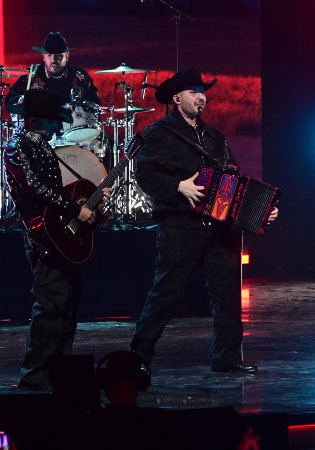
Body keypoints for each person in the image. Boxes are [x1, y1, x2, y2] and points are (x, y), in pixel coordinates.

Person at [128, 69, 278, 374]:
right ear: (176, 98)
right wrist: (176, 187)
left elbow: (234, 178)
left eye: (202, 91)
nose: (201, 97)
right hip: (180, 227)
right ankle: (137, 360)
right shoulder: (160, 134)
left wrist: (260, 211)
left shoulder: (215, 137)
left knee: (227, 295)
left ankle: (227, 358)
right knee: (165, 294)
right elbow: (143, 173)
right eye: (194, 92)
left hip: (218, 228)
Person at [3, 89, 111, 389]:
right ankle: (35, 373)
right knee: (50, 304)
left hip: (56, 231)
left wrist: (90, 200)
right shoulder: (16, 147)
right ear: (38, 120)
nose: (58, 128)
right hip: (41, 235)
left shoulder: (44, 147)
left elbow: (58, 190)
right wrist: (75, 208)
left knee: (67, 303)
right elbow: (35, 187)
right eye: (53, 122)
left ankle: (59, 367)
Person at [6, 32, 100, 114]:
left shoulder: (80, 76)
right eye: (49, 55)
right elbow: (9, 102)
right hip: (40, 130)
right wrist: (22, 99)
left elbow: (96, 104)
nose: (53, 59)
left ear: (67, 56)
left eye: (58, 55)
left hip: (72, 129)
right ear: (43, 56)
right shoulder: (31, 76)